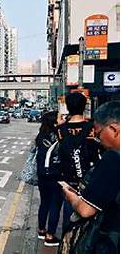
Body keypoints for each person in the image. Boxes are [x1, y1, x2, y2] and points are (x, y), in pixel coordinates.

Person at [62, 101, 120, 253]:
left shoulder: (113, 159)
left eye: (98, 133)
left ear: (114, 129)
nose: (98, 140)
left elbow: (86, 210)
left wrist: (72, 198)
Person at [57, 93, 100, 230]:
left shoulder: (61, 130)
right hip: (91, 180)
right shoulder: (93, 127)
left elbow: (61, 152)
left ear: (68, 107)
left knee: (69, 218)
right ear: (84, 106)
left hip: (69, 182)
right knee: (90, 221)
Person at [35, 111, 63, 246]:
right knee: (55, 205)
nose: (62, 119)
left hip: (42, 175)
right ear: (54, 122)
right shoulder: (58, 136)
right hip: (55, 175)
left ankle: (41, 230)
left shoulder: (41, 136)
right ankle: (50, 236)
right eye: (60, 118)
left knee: (44, 202)